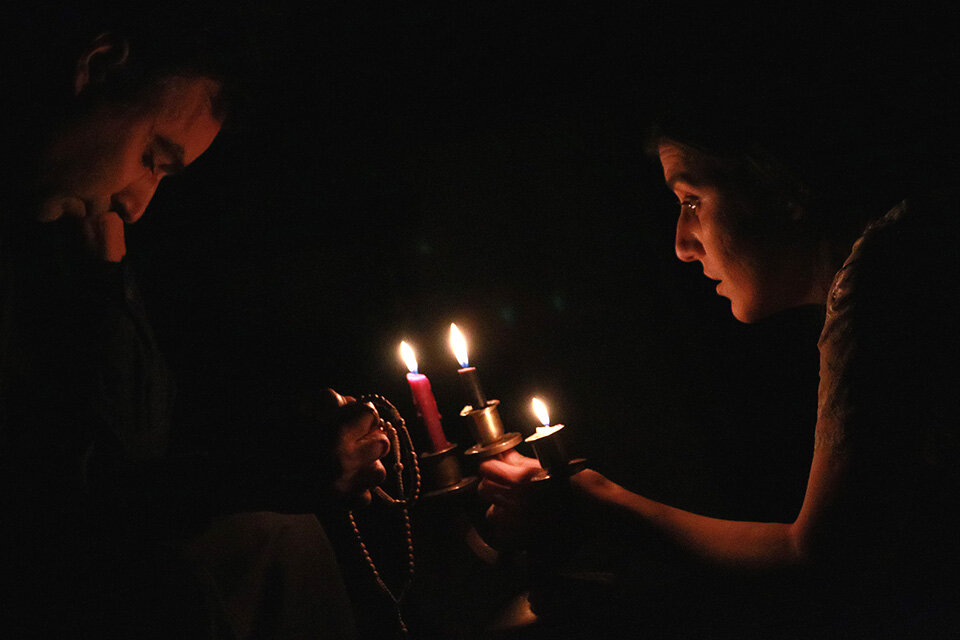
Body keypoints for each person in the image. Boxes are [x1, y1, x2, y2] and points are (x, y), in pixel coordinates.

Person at [478, 74, 960, 637]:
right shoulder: (897, 259)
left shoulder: (884, 285)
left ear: (785, 188)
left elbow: (823, 562)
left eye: (692, 200)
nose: (683, 245)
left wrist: (602, 502)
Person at [1, 8, 390, 638]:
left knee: (286, 537)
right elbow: (70, 509)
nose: (137, 202)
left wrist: (109, 274)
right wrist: (271, 468)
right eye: (153, 157)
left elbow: (139, 439)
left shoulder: (64, 236)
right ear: (97, 69)